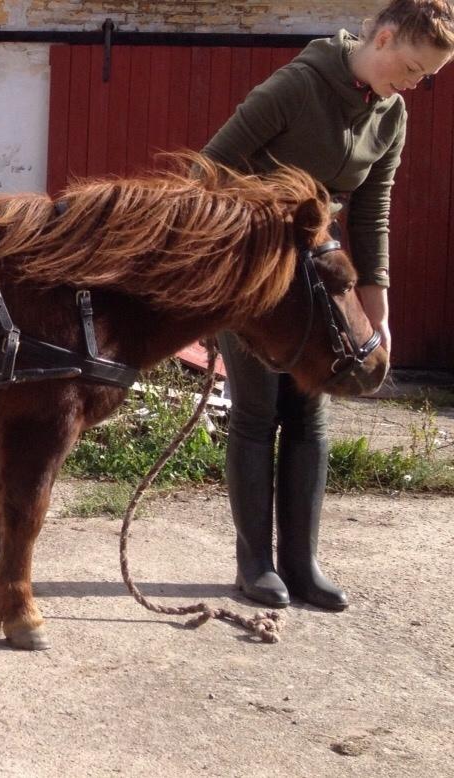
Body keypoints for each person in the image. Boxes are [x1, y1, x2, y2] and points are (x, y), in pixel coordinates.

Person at [202, 0, 454, 610]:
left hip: (321, 272)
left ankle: (302, 564)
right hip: (257, 267)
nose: (418, 84)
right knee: (257, 413)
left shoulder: (390, 115)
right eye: (416, 68)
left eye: (430, 77)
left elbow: (371, 216)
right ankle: (254, 564)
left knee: (312, 412)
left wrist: (380, 314)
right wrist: (219, 278)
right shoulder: (296, 85)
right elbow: (209, 171)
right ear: (385, 37)